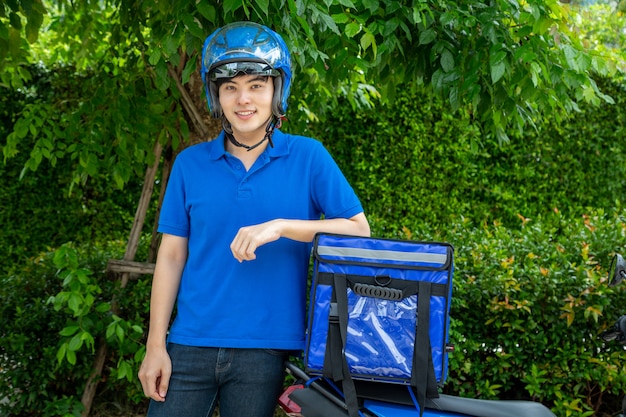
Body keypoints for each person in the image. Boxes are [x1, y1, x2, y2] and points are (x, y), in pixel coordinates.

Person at [137, 21, 370, 417]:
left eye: (256, 85)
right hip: (188, 342)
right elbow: (172, 256)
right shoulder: (190, 164)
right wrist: (155, 345)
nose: (243, 99)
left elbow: (358, 230)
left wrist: (279, 226)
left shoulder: (309, 156)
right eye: (230, 87)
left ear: (276, 91)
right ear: (217, 96)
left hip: (265, 348)